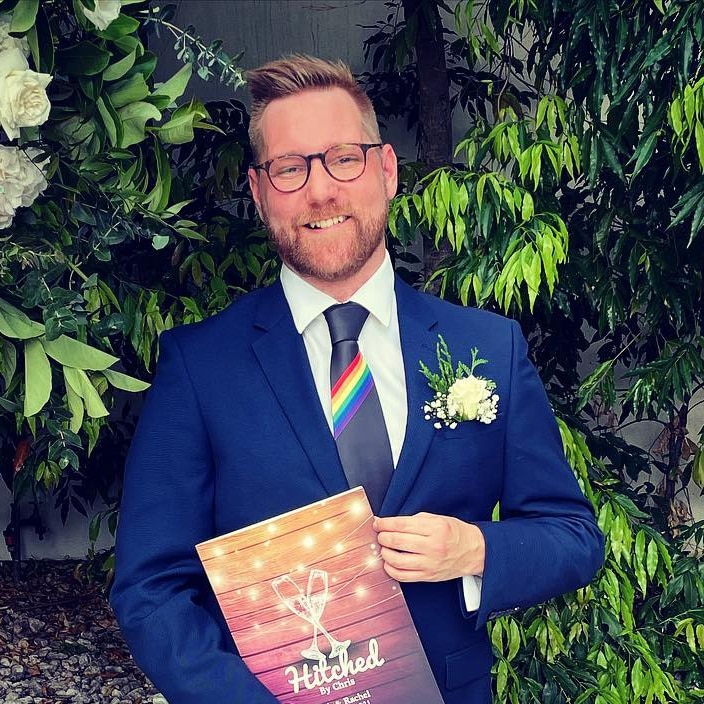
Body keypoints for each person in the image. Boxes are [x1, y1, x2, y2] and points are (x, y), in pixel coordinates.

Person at [110, 55, 604, 704]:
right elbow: (150, 588)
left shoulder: (488, 346)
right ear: (259, 194)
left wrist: (475, 549)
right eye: (290, 168)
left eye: (344, 156)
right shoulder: (199, 367)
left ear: (386, 169)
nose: (321, 191)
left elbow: (572, 536)